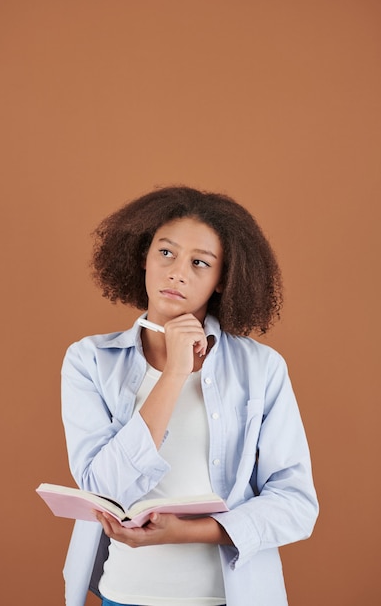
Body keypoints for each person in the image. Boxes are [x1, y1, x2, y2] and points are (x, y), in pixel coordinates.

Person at [61, 186, 318, 606]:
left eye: (200, 263)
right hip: (126, 594)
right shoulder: (90, 361)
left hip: (230, 598)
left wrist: (187, 532)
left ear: (221, 281)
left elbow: (295, 503)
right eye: (166, 253)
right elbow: (102, 488)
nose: (177, 272)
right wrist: (175, 373)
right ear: (142, 256)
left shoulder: (261, 368)